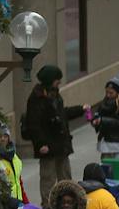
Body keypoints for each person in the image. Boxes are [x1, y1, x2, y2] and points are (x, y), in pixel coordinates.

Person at [22, 65, 83, 195]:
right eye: (57, 79)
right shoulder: (36, 98)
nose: (59, 82)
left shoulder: (55, 95)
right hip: (48, 145)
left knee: (65, 177)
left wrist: (80, 109)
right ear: (50, 80)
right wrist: (41, 144)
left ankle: (67, 201)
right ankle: (48, 205)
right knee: (48, 178)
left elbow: (62, 114)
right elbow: (34, 124)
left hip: (61, 144)